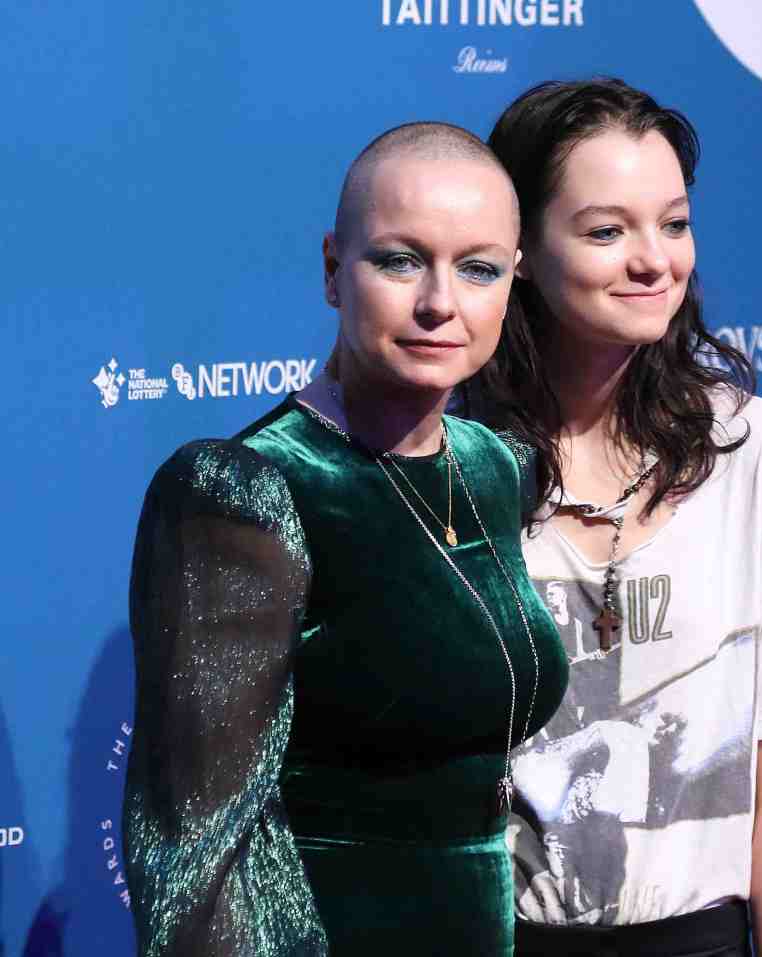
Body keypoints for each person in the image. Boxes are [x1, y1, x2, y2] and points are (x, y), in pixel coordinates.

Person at [123, 121, 568, 956]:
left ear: (513, 281)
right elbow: (198, 853)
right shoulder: (246, 491)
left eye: (477, 269)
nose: (439, 303)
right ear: (333, 269)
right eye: (400, 261)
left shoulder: (491, 466)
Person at [467, 79, 762, 956]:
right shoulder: (452, 465)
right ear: (520, 250)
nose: (655, 260)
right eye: (607, 231)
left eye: (675, 223)